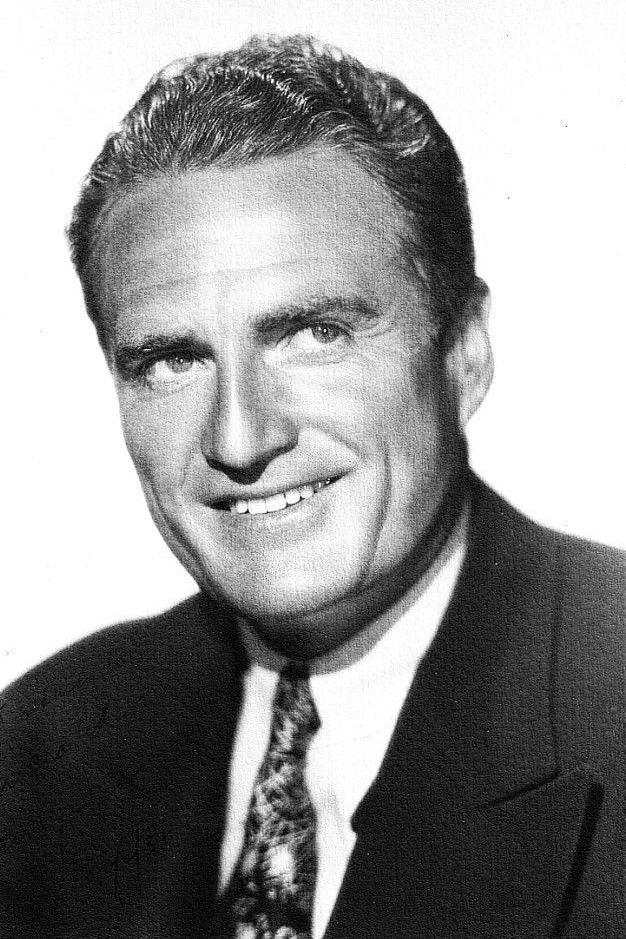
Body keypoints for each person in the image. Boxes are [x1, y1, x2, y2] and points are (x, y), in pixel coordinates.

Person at [0, 35, 622, 939]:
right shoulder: (35, 751)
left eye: (313, 334)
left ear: (464, 353)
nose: (240, 438)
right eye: (172, 360)